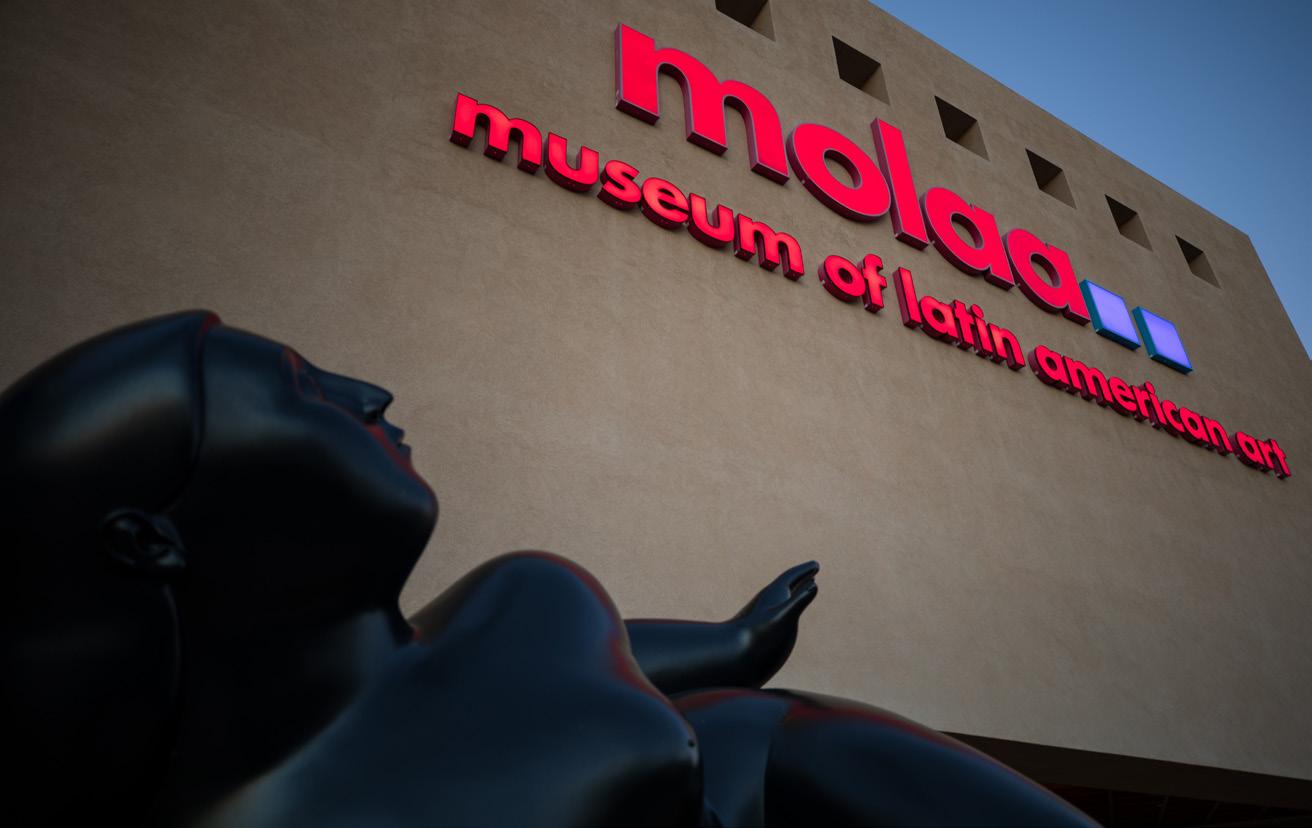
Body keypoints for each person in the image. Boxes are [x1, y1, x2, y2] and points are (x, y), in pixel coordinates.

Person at [1, 311, 1092, 826]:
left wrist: (733, 642)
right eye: (306, 389)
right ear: (149, 539)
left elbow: (604, 660)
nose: (371, 394)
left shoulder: (492, 611)